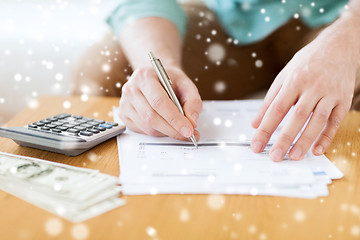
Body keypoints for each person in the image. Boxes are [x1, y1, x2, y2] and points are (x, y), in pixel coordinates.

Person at [73, 0, 360, 162]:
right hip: (228, 15)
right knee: (104, 72)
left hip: (343, 14)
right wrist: (158, 67)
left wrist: (348, 34)